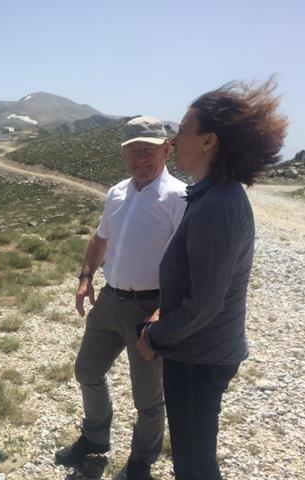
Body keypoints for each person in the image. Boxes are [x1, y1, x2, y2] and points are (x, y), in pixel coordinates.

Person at [137, 79, 287, 480]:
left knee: (194, 463)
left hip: (197, 357)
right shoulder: (212, 195)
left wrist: (156, 337)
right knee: (193, 456)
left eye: (183, 130)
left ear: (208, 142)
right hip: (198, 350)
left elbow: (206, 302)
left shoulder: (218, 204)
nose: (174, 138)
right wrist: (161, 315)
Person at [55, 116, 187, 480]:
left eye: (148, 150)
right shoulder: (116, 192)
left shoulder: (178, 197)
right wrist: (85, 277)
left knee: (148, 397)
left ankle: (141, 462)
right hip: (110, 301)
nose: (140, 159)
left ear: (166, 149)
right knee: (86, 371)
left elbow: (187, 263)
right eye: (133, 152)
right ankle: (96, 438)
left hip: (150, 307)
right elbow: (100, 240)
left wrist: (164, 311)